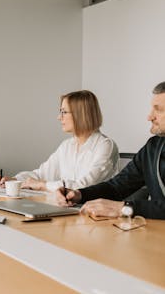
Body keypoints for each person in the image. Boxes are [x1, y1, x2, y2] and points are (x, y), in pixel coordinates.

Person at [57, 82, 165, 220]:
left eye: (159, 110)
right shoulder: (153, 147)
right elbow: (117, 187)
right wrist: (79, 194)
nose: (149, 117)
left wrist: (124, 207)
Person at [0, 90, 119, 192]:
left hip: (94, 214)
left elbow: (84, 186)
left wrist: (43, 185)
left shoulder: (105, 146)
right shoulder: (67, 146)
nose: (59, 117)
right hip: (67, 208)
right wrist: (14, 180)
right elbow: (41, 175)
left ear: (81, 114)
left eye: (64, 112)